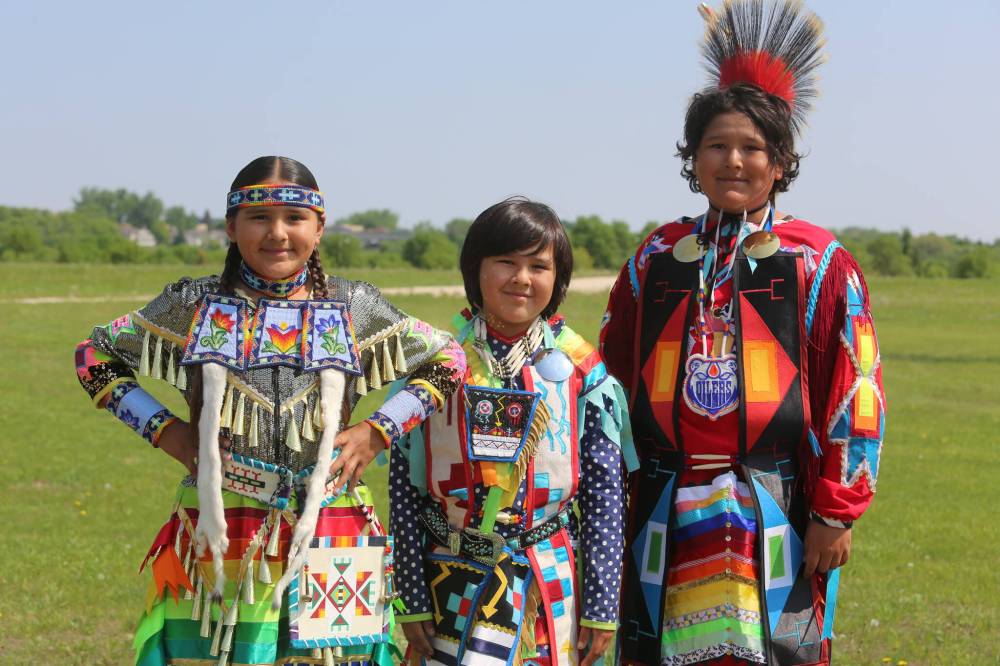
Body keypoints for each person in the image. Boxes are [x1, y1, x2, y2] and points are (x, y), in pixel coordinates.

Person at [74, 156, 466, 666]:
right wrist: (167, 432)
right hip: (221, 528)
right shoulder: (194, 304)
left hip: (332, 525)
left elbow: (448, 358)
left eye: (294, 218)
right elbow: (92, 355)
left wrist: (378, 431)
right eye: (259, 217)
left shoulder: (354, 306)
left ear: (319, 228)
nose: (277, 233)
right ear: (232, 228)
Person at [601, 2, 885, 665]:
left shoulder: (818, 263)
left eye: (752, 147)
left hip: (774, 505)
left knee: (772, 653)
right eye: (716, 145)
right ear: (692, 157)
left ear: (780, 162)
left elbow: (857, 391)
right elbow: (609, 383)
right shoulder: (657, 258)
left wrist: (835, 510)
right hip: (661, 508)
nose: (733, 161)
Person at [389, 198, 638, 666]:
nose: (521, 278)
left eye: (538, 266)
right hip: (449, 580)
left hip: (547, 584)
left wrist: (602, 608)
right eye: (506, 262)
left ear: (557, 278)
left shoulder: (582, 372)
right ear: (475, 269)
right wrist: (410, 597)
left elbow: (605, 494)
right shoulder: (439, 363)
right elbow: (405, 487)